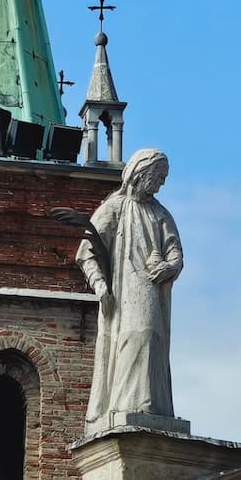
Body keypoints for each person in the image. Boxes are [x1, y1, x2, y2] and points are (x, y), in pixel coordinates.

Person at [76, 147, 183, 427]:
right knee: (137, 336)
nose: (162, 182)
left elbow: (175, 252)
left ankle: (150, 404)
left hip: (152, 287)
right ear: (141, 172)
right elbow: (86, 251)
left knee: (152, 340)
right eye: (159, 175)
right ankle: (127, 404)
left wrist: (169, 267)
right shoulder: (114, 208)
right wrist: (101, 287)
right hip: (125, 289)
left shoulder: (161, 214)